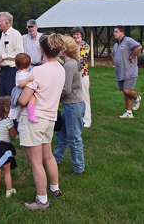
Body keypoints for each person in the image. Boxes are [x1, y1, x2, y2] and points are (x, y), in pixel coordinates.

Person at [18, 32, 65, 211]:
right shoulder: (61, 69)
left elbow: (23, 99)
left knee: (36, 162)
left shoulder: (37, 71)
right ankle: (55, 189)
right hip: (50, 118)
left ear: (42, 49)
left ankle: (42, 201)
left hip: (35, 119)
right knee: (48, 156)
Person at [53, 35, 86, 175]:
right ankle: (56, 159)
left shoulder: (69, 65)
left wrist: (53, 96)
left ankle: (79, 168)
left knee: (73, 138)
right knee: (62, 134)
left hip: (73, 105)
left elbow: (66, 89)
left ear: (64, 50)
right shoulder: (72, 62)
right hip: (74, 105)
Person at [111, 26, 142, 119]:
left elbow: (139, 47)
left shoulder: (128, 41)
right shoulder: (116, 45)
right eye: (114, 32)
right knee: (125, 92)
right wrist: (116, 60)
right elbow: (112, 53)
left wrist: (132, 57)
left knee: (127, 90)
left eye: (116, 31)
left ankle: (137, 98)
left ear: (122, 32)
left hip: (130, 70)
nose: (114, 33)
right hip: (120, 71)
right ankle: (129, 112)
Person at [0, 12, 24, 96]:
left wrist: (4, 57)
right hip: (3, 71)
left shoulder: (15, 34)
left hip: (11, 71)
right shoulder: (3, 35)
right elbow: (2, 52)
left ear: (6, 23)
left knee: (10, 98)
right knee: (2, 98)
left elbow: (20, 53)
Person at [8, 53, 38, 123]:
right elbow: (21, 84)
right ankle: (31, 115)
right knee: (32, 99)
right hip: (20, 90)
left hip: (21, 89)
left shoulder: (21, 72)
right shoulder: (22, 74)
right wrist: (29, 79)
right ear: (30, 64)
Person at [72, 26, 92, 127]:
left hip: (83, 73)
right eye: (74, 35)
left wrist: (78, 46)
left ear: (82, 36)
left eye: (78, 34)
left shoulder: (85, 46)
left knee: (84, 96)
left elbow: (80, 59)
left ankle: (87, 119)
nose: (76, 36)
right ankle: (77, 117)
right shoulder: (70, 45)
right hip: (72, 74)